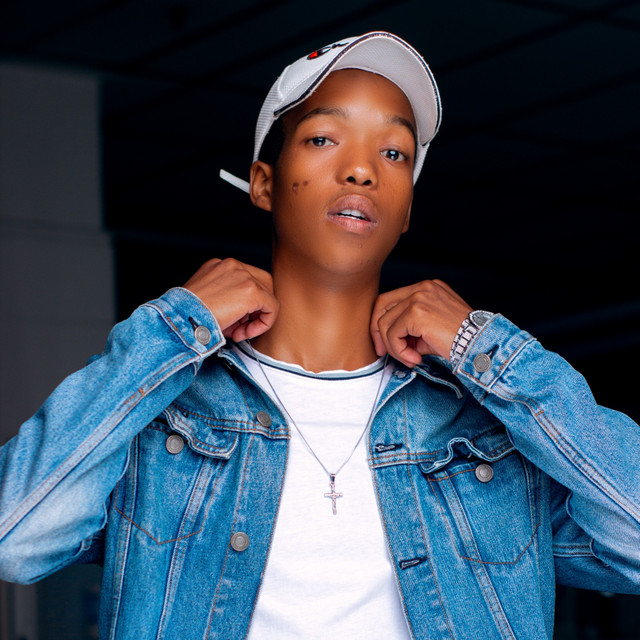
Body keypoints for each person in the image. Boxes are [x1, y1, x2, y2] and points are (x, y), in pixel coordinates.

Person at [0, 31, 639, 639]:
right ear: (263, 184)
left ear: (407, 208)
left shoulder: (482, 439)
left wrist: (489, 351)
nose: (362, 170)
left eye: (394, 153)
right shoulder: (167, 424)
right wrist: (172, 329)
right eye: (324, 138)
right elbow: (13, 534)